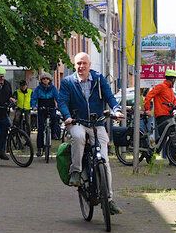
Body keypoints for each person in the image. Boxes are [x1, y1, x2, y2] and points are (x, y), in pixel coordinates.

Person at [56, 52, 123, 213]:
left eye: (84, 63)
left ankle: (109, 199)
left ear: (89, 65)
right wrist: (67, 117)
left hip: (97, 123)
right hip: (77, 122)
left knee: (104, 160)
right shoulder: (68, 82)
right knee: (78, 137)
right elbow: (62, 101)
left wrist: (117, 110)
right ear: (74, 65)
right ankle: (76, 172)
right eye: (78, 63)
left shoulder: (99, 80)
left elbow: (110, 97)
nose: (81, 66)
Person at [144, 69, 176, 149]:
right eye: (174, 79)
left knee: (171, 136)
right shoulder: (161, 86)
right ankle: (152, 150)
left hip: (169, 114)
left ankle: (171, 159)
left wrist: (175, 104)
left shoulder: (170, 89)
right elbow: (149, 96)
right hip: (162, 115)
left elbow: (174, 99)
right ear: (172, 79)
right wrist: (147, 109)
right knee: (163, 137)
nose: (175, 81)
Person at [31, 71, 60, 150]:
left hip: (51, 107)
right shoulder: (38, 89)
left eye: (47, 79)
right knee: (40, 128)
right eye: (43, 79)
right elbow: (34, 98)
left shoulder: (53, 88)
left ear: (50, 80)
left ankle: (54, 133)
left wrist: (60, 106)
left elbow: (58, 98)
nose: (45, 80)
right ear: (41, 80)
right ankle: (39, 148)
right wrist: (34, 106)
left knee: (54, 118)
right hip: (41, 108)